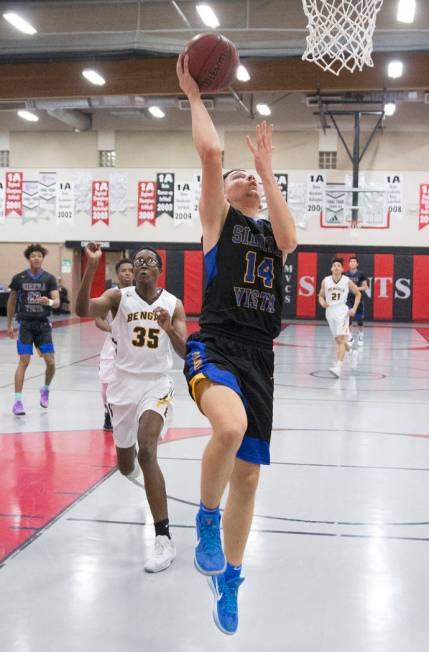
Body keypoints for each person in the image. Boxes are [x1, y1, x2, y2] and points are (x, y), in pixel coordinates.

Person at [177, 54, 297, 635]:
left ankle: (230, 577)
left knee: (248, 477)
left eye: (246, 178)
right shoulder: (218, 222)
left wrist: (267, 169)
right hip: (218, 345)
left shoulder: (271, 232)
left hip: (261, 358)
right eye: (237, 178)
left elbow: (292, 238)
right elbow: (210, 154)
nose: (242, 179)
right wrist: (195, 97)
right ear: (221, 194)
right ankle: (204, 517)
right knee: (228, 429)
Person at [76, 243, 188, 573]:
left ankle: (163, 538)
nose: (142, 265)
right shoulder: (118, 297)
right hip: (122, 385)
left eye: (149, 261)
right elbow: (83, 309)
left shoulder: (173, 304)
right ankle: (134, 466)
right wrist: (92, 266)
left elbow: (184, 352)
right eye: (137, 261)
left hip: (156, 383)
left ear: (158, 270)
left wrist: (168, 328)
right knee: (126, 465)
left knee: (148, 450)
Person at [7, 243, 60, 415]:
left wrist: (49, 302)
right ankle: (17, 402)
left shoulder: (49, 278)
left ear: (43, 258)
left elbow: (57, 302)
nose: (36, 258)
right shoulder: (19, 278)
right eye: (33, 256)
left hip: (43, 326)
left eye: (39, 255)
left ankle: (45, 388)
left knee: (51, 363)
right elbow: (12, 301)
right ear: (29, 258)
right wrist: (9, 324)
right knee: (24, 361)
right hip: (25, 325)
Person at [95, 258, 134, 431]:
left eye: (131, 270)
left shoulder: (140, 294)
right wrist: (112, 329)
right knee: (106, 381)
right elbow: (98, 320)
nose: (127, 273)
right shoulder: (110, 294)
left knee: (129, 381)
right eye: (124, 270)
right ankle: (107, 411)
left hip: (133, 346)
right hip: (112, 345)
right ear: (117, 274)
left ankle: (128, 413)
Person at [318, 257, 361, 378]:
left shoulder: (347, 281)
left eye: (339, 266)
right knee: (339, 341)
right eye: (334, 265)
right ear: (331, 268)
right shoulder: (325, 281)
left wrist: (354, 309)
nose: (336, 267)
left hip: (342, 311)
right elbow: (320, 296)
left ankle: (338, 367)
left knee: (341, 340)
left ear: (342, 269)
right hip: (330, 312)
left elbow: (358, 294)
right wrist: (322, 302)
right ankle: (349, 348)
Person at [344, 255, 368, 346]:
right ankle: (350, 336)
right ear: (349, 264)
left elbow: (365, 287)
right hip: (348, 299)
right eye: (351, 261)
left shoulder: (361, 274)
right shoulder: (345, 274)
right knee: (348, 318)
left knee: (359, 319)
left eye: (354, 261)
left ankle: (361, 334)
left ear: (357, 264)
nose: (352, 263)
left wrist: (356, 288)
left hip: (358, 299)